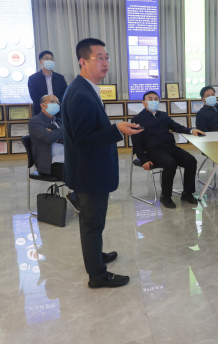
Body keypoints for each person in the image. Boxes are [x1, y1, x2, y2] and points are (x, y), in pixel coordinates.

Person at [62, 38, 142, 289]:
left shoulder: (86, 88)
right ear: (83, 61)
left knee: (94, 222)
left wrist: (116, 129)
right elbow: (84, 141)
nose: (105, 62)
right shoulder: (80, 94)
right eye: (99, 58)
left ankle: (95, 256)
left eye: (107, 57)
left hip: (90, 170)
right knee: (92, 223)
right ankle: (97, 275)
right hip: (89, 173)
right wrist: (117, 130)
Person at [131, 90, 205, 209]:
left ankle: (187, 193)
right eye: (150, 99)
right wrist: (143, 159)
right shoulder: (137, 119)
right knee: (170, 164)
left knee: (191, 160)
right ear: (144, 102)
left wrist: (191, 130)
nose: (154, 101)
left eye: (156, 99)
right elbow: (137, 142)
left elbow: (176, 127)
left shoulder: (163, 115)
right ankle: (165, 196)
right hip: (153, 151)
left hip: (170, 148)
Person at [28, 50, 68, 116]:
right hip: (41, 111)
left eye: (51, 59)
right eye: (46, 59)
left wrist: (55, 103)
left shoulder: (60, 78)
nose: (50, 61)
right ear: (40, 62)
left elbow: (65, 93)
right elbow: (34, 96)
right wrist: (47, 104)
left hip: (58, 109)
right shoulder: (33, 78)